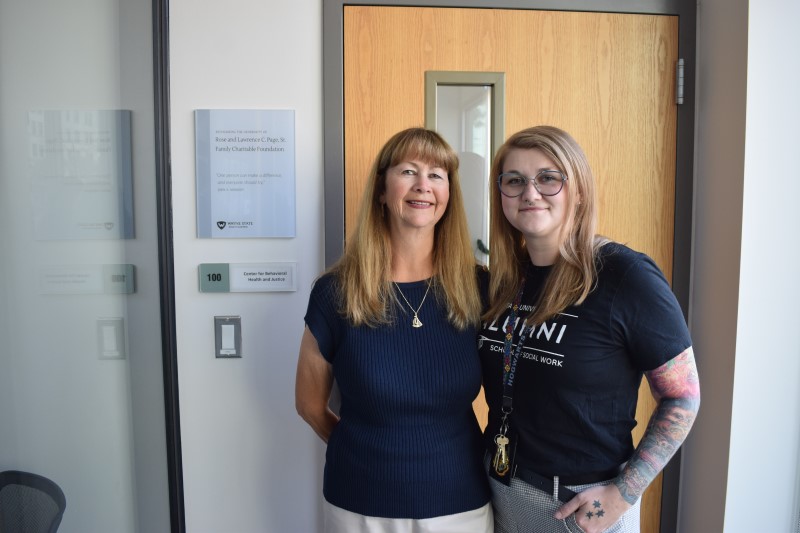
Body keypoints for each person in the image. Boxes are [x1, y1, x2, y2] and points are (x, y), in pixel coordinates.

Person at [479, 125, 700, 533]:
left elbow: (683, 399)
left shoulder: (625, 275)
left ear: (578, 189)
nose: (530, 192)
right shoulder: (505, 280)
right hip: (501, 494)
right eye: (515, 181)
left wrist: (622, 495)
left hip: (582, 507)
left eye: (548, 178)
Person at [295, 127, 493, 532]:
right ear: (382, 191)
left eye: (437, 175)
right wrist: (365, 454)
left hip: (459, 503)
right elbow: (310, 404)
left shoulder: (481, 289)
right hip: (359, 504)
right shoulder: (336, 292)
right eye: (408, 171)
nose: (423, 185)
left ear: (448, 196)